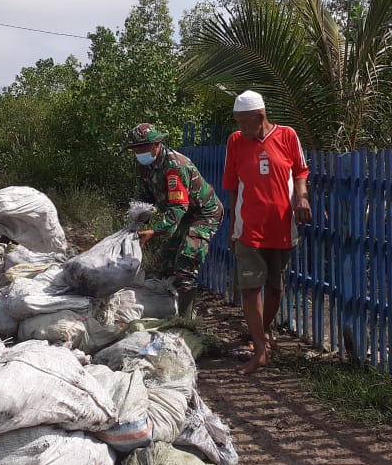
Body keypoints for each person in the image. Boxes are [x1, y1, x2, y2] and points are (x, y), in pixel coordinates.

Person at [222, 90, 311, 375]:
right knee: (249, 290)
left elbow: (300, 171)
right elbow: (232, 186)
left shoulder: (287, 136)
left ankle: (262, 333)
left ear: (260, 116)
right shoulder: (235, 142)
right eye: (236, 121)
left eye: (244, 122)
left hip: (282, 225)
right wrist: (233, 229)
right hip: (248, 227)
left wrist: (302, 197)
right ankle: (260, 351)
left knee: (275, 287)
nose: (240, 127)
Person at [125, 122, 223, 319]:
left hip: (203, 215)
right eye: (136, 149)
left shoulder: (174, 166)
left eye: (143, 147)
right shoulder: (145, 165)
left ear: (157, 145)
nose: (139, 152)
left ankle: (186, 322)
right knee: (166, 263)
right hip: (182, 215)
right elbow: (145, 197)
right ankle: (167, 309)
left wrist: (154, 232)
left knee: (186, 264)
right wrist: (136, 222)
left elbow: (179, 206)